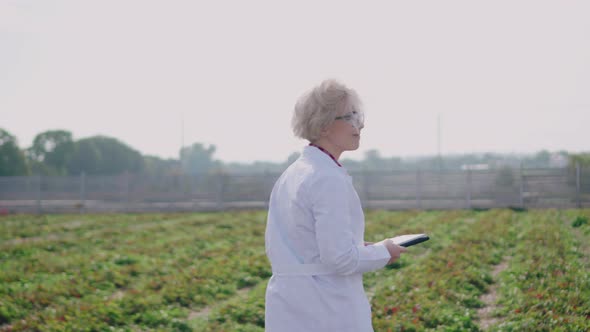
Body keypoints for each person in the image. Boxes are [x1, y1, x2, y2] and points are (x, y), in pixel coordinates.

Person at [264, 79, 407, 332]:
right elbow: (339, 259)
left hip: (289, 305)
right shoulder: (327, 177)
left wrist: (357, 247)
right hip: (326, 308)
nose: (360, 125)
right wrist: (384, 252)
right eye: (350, 117)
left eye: (358, 115)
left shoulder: (295, 173)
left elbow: (303, 244)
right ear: (324, 124)